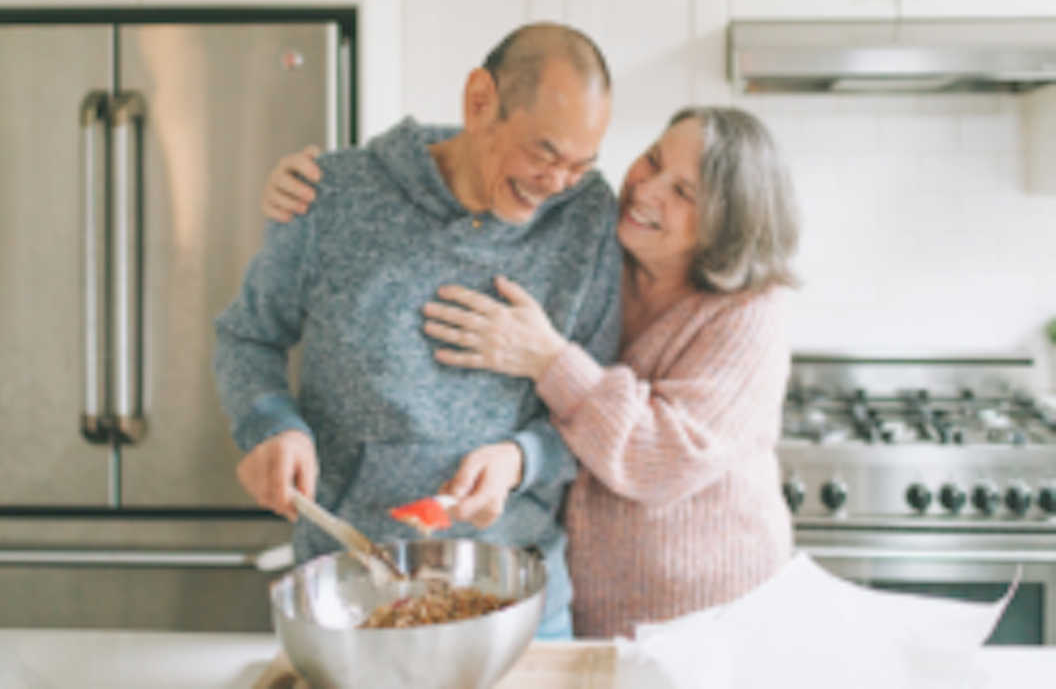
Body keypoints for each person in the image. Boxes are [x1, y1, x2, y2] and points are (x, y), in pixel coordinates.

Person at [262, 106, 801, 638]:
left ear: (728, 227)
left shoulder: (750, 312)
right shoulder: (604, 244)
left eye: (684, 192)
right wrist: (328, 180)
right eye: (653, 159)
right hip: (591, 606)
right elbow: (494, 159)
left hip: (712, 616)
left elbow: (661, 458)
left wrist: (548, 360)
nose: (647, 190)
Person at [213, 23, 622, 640]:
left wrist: (520, 459)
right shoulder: (334, 195)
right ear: (480, 100)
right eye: (544, 154)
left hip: (520, 604)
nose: (557, 183)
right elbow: (248, 336)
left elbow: (595, 407)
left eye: (580, 164)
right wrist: (272, 426)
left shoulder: (587, 217)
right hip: (352, 599)